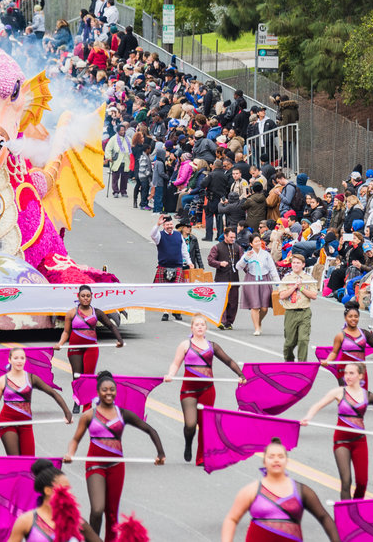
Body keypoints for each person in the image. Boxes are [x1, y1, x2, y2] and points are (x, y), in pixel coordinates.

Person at [64, 371, 166, 541]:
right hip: (95, 465)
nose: (109, 393)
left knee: (112, 514)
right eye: (105, 390)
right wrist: (70, 453)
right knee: (97, 510)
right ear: (98, 392)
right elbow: (75, 439)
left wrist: (160, 453)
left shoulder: (123, 414)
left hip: (116, 467)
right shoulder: (89, 415)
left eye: (112, 389)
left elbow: (150, 430)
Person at [301, 362, 373, 500]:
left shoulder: (368, 396)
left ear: (360, 375)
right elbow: (318, 405)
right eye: (346, 373)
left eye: (351, 373)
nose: (347, 376)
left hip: (359, 442)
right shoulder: (339, 392)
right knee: (346, 482)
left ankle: (356, 508)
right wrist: (308, 417)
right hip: (341, 441)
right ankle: (346, 517)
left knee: (362, 483)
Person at [164, 314, 246, 465]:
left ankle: (201, 458)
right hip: (188, 390)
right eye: (197, 325)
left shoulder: (212, 346)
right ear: (192, 328)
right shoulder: (185, 345)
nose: (200, 327)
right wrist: (170, 375)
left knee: (205, 424)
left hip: (207, 389)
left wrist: (241, 374)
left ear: (206, 328)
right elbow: (175, 364)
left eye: (202, 325)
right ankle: (188, 443)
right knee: (190, 425)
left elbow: (228, 361)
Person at [220, 438, 339, 542]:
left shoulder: (302, 490)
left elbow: (324, 517)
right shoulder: (252, 490)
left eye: (280, 456)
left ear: (286, 460)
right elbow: (232, 518)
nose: (276, 460)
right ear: (264, 461)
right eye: (271, 457)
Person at [0, 346, 73, 456]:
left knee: (29, 461)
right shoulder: (2, 381)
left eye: (22, 358)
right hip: (7, 422)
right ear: (10, 360)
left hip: (26, 423)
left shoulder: (32, 378)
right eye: (16, 358)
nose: (19, 361)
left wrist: (67, 412)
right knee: (16, 461)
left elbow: (54, 393)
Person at [54, 284, 124, 412]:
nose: (86, 298)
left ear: (91, 297)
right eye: (83, 296)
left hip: (91, 347)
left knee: (89, 377)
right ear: (78, 297)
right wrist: (60, 344)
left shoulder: (96, 312)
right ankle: (77, 400)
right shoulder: (71, 313)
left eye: (88, 296)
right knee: (77, 376)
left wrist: (120, 340)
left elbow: (111, 326)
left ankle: (87, 405)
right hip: (75, 348)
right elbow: (66, 332)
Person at [7, 458, 103, 541]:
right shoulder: (26, 521)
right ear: (48, 490)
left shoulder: (76, 522)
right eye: (64, 488)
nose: (69, 493)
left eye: (69, 489)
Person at [322, 301, 373, 387]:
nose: (353, 319)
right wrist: (327, 361)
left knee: (362, 398)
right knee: (347, 398)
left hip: (360, 371)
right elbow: (334, 352)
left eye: (356, 316)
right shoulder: (340, 336)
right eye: (350, 316)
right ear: (345, 318)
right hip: (344, 370)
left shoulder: (364, 333)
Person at [150, 214, 191, 322]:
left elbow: (184, 251)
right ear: (163, 226)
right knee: (165, 291)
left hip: (177, 266)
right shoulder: (159, 235)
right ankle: (165, 312)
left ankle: (176, 310)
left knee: (177, 291)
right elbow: (152, 235)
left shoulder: (178, 235)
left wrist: (189, 262)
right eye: (167, 224)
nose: (169, 226)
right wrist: (157, 225)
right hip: (164, 266)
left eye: (171, 224)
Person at [277, 253, 318, 361]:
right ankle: (289, 361)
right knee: (289, 342)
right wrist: (294, 287)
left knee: (303, 340)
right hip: (290, 312)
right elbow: (282, 296)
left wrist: (301, 288)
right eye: (294, 263)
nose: (295, 265)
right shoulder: (287, 278)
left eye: (298, 263)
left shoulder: (308, 278)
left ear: (303, 265)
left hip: (304, 311)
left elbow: (314, 295)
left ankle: (302, 364)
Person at [237, 234, 280, 336]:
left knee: (264, 307)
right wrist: (245, 259)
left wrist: (278, 284)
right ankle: (257, 327)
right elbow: (238, 267)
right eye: (255, 241)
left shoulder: (266, 254)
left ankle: (259, 321)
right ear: (251, 244)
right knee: (255, 306)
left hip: (264, 279)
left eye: (259, 241)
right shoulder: (248, 254)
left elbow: (272, 269)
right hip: (252, 279)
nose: (258, 243)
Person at [207, 227, 244, 330]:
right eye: (231, 237)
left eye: (234, 237)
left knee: (233, 302)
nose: (233, 239)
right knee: (222, 301)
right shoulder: (217, 247)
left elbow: (243, 261)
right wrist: (219, 263)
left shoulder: (238, 248)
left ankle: (229, 322)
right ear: (225, 236)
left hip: (234, 278)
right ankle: (222, 321)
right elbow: (210, 260)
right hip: (221, 278)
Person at [104, 123, 130, 198]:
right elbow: (108, 148)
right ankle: (115, 191)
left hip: (125, 161)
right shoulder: (113, 139)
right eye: (121, 130)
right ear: (118, 131)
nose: (123, 131)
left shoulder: (128, 139)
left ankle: (123, 191)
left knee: (125, 178)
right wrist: (109, 157)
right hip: (116, 161)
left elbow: (131, 148)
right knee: (115, 177)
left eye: (124, 130)